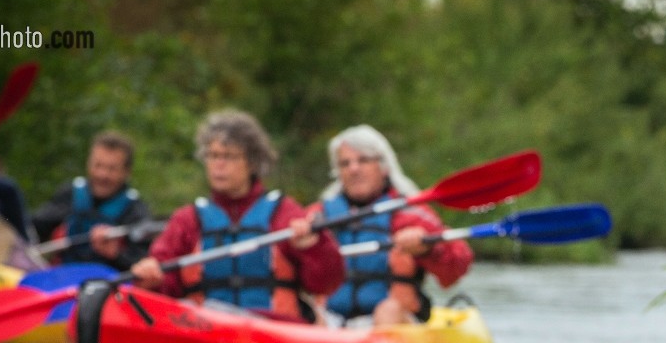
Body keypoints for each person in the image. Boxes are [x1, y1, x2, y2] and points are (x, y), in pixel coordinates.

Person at [131, 110, 342, 321]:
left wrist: (313, 247)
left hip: (272, 332)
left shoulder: (284, 213)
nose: (218, 165)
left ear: (252, 162)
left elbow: (326, 284)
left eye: (229, 156)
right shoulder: (187, 220)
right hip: (207, 332)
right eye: (213, 156)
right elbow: (166, 285)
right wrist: (152, 279)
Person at [319, 126, 472, 325]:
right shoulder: (318, 217)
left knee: (388, 310)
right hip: (332, 322)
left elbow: (457, 266)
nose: (353, 169)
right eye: (345, 163)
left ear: (383, 167)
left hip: (398, 322)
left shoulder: (410, 214)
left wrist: (428, 249)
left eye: (363, 160)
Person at [32, 130, 152, 270]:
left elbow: (141, 263)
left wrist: (116, 254)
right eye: (98, 165)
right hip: (62, 278)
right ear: (88, 163)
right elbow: (34, 230)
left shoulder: (136, 211)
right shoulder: (70, 194)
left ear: (127, 172)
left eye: (112, 169)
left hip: (108, 284)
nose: (102, 175)